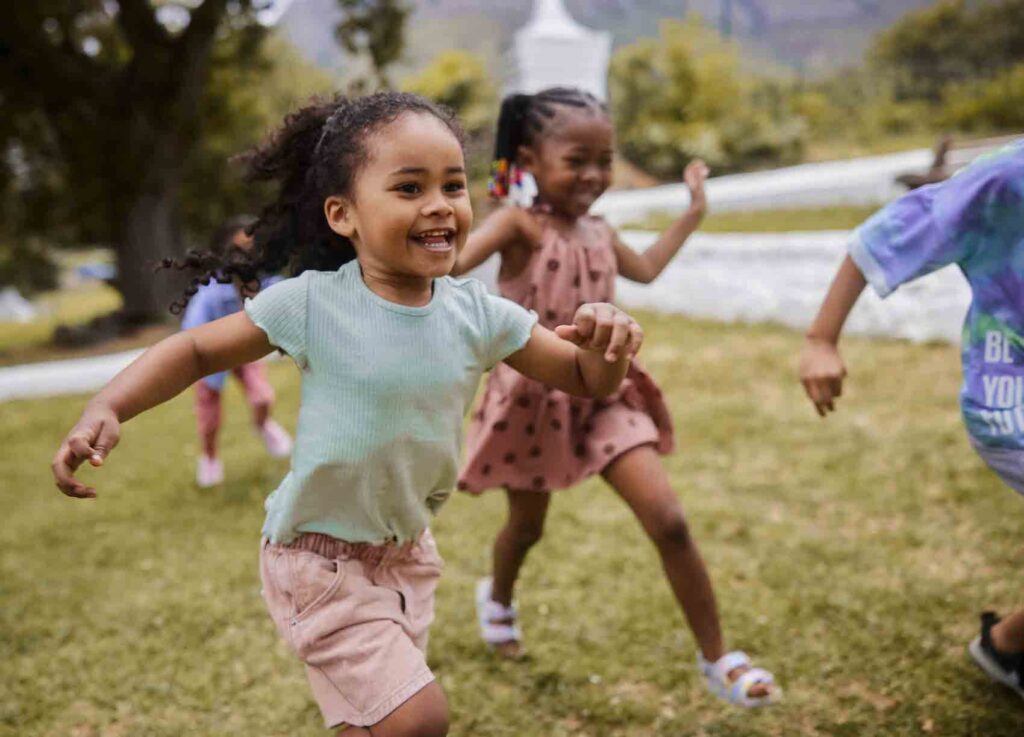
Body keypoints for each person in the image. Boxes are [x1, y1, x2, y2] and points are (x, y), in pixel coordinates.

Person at [50, 91, 645, 737]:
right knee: (420, 717)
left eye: (453, 184)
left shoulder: (479, 313)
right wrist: (109, 404)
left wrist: (606, 344)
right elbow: (196, 349)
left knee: (369, 724)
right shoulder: (314, 304)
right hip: (317, 561)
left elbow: (585, 378)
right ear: (344, 214)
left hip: (405, 555)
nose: (440, 204)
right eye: (410, 187)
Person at [452, 87, 778, 707]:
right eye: (578, 160)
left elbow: (647, 269)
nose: (595, 175)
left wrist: (693, 213)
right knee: (525, 529)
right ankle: (497, 599)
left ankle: (718, 659)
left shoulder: (600, 230)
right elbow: (454, 264)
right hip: (533, 399)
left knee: (671, 522)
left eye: (605, 160)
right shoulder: (516, 223)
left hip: (606, 393)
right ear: (530, 157)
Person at [799, 139, 1024, 700]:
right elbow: (884, 236)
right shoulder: (1005, 179)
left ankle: (1008, 646)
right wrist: (820, 339)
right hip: (1009, 392)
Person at [177, 216, 292, 487]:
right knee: (210, 417)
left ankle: (263, 425)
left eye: (251, 247)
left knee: (262, 397)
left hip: (243, 353)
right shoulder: (211, 292)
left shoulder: (266, 282)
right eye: (239, 249)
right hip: (211, 359)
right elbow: (191, 331)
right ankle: (209, 458)